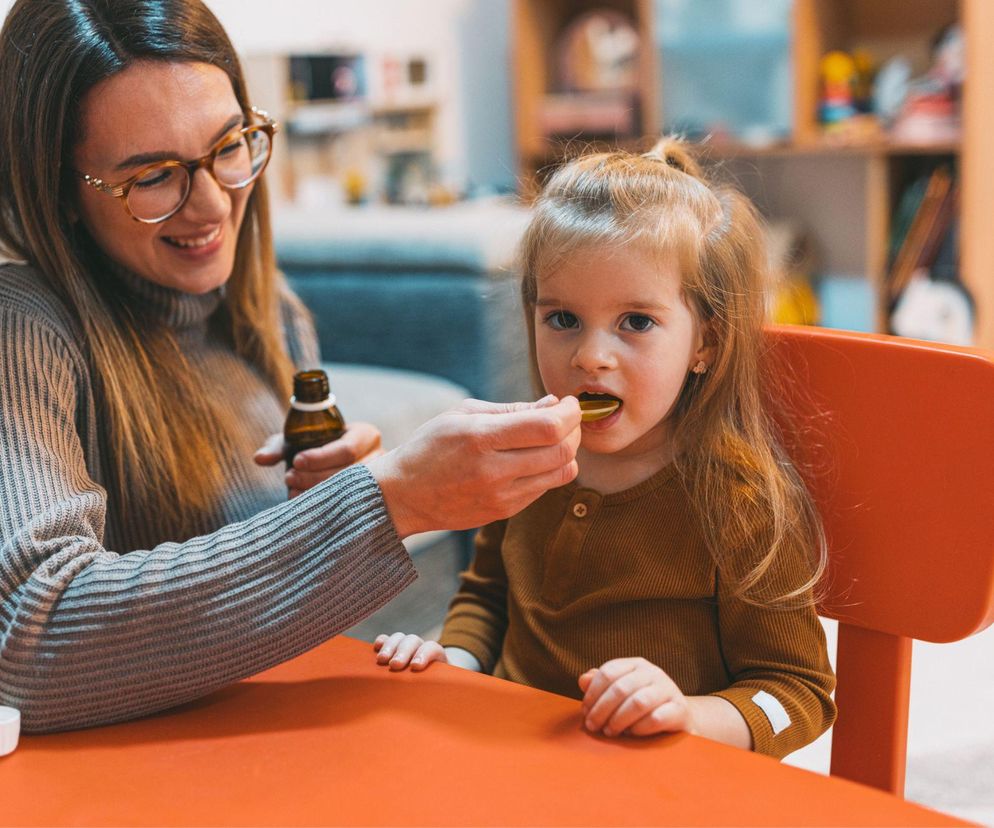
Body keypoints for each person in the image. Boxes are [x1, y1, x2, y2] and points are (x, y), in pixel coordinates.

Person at [0, 0, 581, 734]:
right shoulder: (21, 327)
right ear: (59, 192)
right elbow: (32, 641)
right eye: (152, 175)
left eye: (229, 145)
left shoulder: (270, 313)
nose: (211, 202)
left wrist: (326, 504)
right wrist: (389, 500)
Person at [374, 139, 837, 759]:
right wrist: (453, 659)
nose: (591, 356)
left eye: (636, 323)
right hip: (515, 761)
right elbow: (488, 596)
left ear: (705, 343)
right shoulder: (524, 459)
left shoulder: (739, 501)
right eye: (562, 319)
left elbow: (796, 695)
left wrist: (689, 714)